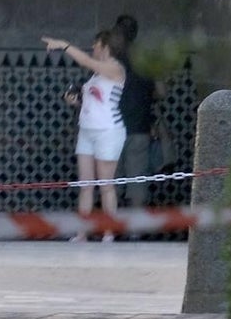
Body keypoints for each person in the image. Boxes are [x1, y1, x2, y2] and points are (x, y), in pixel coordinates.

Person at [42, 30, 127, 242]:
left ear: (105, 46)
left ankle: (109, 231)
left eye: (96, 44)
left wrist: (64, 44)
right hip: (87, 130)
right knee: (85, 184)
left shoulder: (114, 68)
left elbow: (87, 62)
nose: (93, 48)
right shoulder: (97, 75)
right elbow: (96, 102)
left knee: (106, 184)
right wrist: (76, 102)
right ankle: (82, 232)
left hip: (108, 131)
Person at [110, 14, 158, 210]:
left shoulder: (110, 62)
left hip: (112, 129)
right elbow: (161, 91)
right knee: (137, 181)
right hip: (140, 128)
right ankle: (135, 231)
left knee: (111, 182)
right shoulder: (146, 61)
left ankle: (110, 229)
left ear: (119, 35)